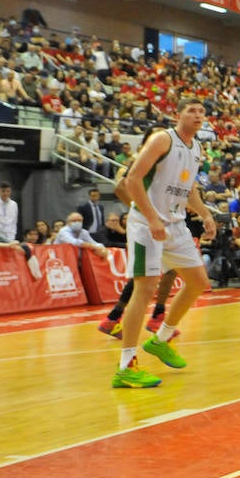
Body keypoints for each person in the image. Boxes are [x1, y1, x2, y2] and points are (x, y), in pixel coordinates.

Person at [113, 97, 217, 388]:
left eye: (202, 111)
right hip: (147, 223)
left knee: (198, 282)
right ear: (178, 114)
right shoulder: (162, 140)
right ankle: (126, 366)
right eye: (192, 110)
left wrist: (206, 213)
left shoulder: (196, 148)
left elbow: (188, 190)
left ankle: (161, 339)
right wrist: (153, 218)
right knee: (145, 289)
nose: (198, 115)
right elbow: (132, 180)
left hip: (175, 223)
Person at [98, 132, 181, 339]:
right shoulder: (142, 160)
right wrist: (144, 214)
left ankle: (118, 317)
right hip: (147, 225)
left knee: (161, 272)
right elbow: (120, 188)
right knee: (152, 274)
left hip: (159, 222)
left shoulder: (163, 164)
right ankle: (153, 318)